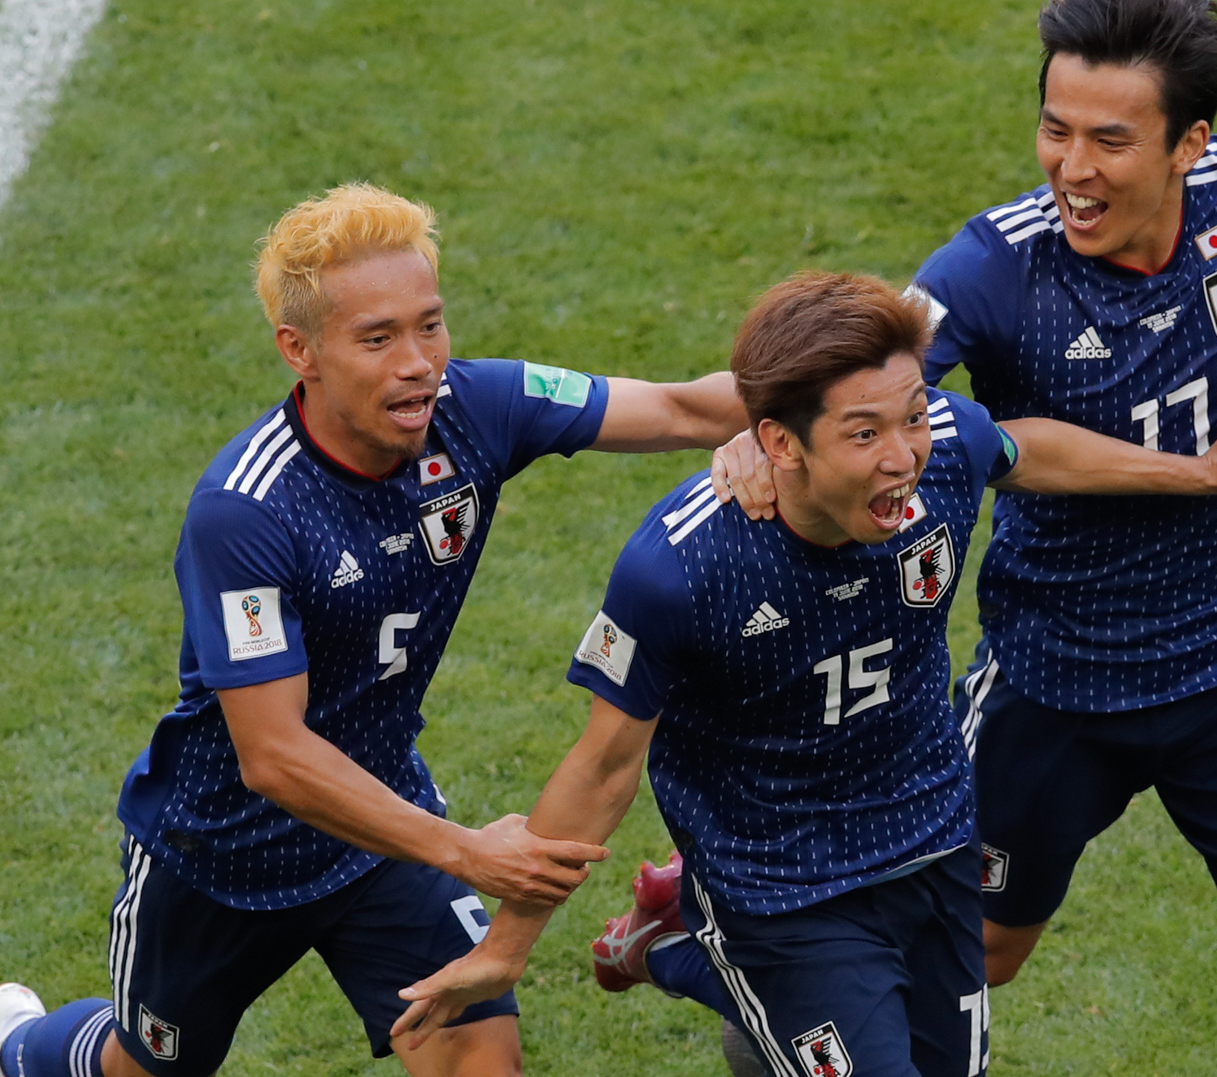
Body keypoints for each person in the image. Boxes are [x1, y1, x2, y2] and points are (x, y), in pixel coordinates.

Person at [388, 272, 1217, 1076]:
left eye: (912, 417)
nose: (904, 457)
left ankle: (685, 945)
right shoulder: (680, 570)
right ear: (779, 444)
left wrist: (1203, 472)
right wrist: (506, 951)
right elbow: (600, 768)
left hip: (930, 842)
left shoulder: (943, 460)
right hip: (779, 887)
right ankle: (708, 942)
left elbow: (1020, 447)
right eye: (865, 434)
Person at [720, 0, 1217, 1077]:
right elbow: (861, 382)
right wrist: (762, 434)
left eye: (1110, 141)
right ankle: (721, 969)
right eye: (1054, 129)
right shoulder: (993, 267)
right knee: (961, 966)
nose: (1072, 170)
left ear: (1190, 142)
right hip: (1054, 682)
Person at [0, 183, 754, 1077]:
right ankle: (21, 1042)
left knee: (483, 1061)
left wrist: (817, 407)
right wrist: (471, 850)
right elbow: (273, 756)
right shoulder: (245, 513)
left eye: (430, 326)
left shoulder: (479, 407)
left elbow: (682, 409)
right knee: (137, 1070)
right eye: (378, 338)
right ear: (300, 350)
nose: (418, 363)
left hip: (381, 832)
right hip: (218, 857)